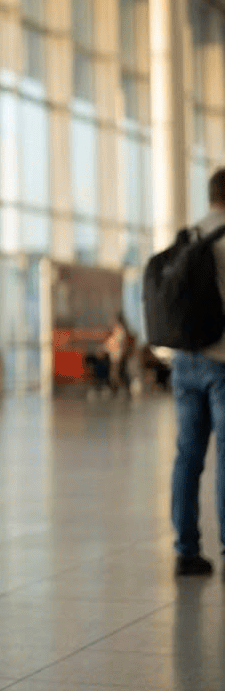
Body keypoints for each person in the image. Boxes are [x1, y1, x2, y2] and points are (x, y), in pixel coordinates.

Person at [170, 166, 225, 576]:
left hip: (183, 361)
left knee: (188, 457)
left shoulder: (189, 235)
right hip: (222, 361)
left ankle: (186, 550)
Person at [102, 311, 137, 397]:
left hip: (118, 355)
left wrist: (104, 348)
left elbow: (115, 343)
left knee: (118, 373)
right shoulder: (117, 330)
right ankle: (118, 390)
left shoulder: (120, 330)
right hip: (115, 355)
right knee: (117, 373)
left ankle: (121, 390)